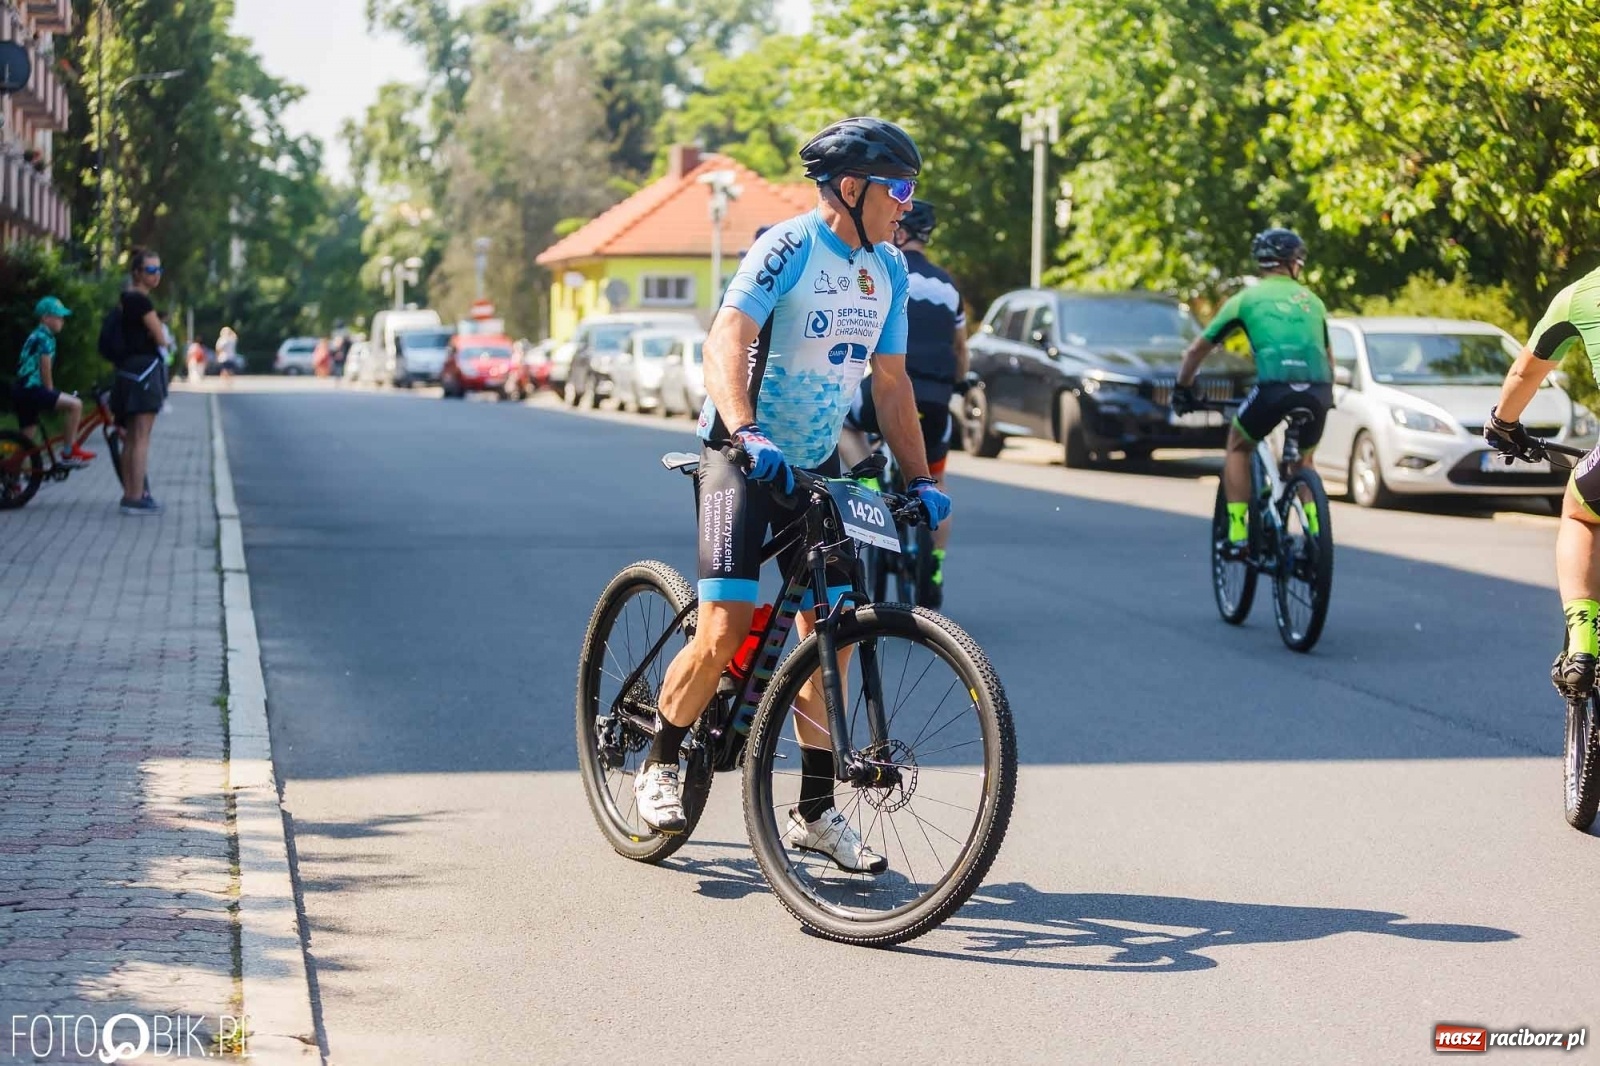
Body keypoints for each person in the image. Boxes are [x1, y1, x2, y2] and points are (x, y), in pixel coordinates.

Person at [633, 117, 952, 874]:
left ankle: (813, 812)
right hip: (740, 459)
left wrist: (923, 481)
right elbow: (727, 336)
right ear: (852, 188)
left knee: (832, 638)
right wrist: (745, 430)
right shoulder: (787, 246)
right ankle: (659, 758)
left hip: (815, 468)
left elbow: (892, 381)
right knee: (724, 629)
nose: (906, 204)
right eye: (898, 188)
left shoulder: (891, 272)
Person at [839, 199, 968, 607]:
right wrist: (959, 384)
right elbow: (960, 351)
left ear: (902, 231)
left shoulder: (885, 270)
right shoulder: (949, 287)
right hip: (937, 402)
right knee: (937, 481)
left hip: (892, 387)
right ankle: (935, 564)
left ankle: (869, 481)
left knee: (844, 421)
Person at [1171, 228, 1333, 555]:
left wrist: (1183, 389)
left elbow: (1195, 353)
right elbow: (1329, 359)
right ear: (1294, 264)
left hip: (1273, 388)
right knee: (1304, 462)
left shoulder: (1245, 300)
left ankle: (1237, 533)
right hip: (1319, 390)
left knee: (1238, 445)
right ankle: (1318, 535)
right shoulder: (1313, 302)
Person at [1484, 266, 1600, 698]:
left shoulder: (1583, 293)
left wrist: (1503, 425)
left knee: (1581, 512)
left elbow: (1524, 375)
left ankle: (1584, 643)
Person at [111, 247, 169, 516]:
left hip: (126, 372)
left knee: (132, 437)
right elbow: (161, 338)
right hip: (144, 373)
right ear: (137, 273)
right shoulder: (141, 302)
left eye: (158, 270)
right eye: (150, 270)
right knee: (141, 437)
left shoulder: (125, 299)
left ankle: (128, 495)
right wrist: (159, 335)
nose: (156, 275)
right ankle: (136, 497)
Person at [11, 296, 94, 468]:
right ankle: (69, 451)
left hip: (21, 390)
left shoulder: (37, 335)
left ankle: (11, 479)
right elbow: (45, 368)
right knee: (75, 405)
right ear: (45, 318)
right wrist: (51, 392)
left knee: (26, 440)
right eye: (57, 317)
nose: (61, 321)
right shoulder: (44, 338)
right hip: (32, 389)